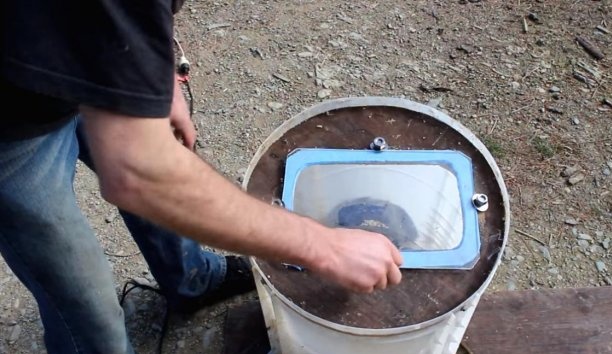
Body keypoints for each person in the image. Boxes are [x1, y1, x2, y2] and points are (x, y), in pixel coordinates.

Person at [0, 1, 403, 353]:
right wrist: (325, 247)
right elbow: (141, 174)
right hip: (12, 136)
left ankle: (193, 281)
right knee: (85, 304)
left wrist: (152, 68)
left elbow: (121, 16)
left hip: (57, 57)